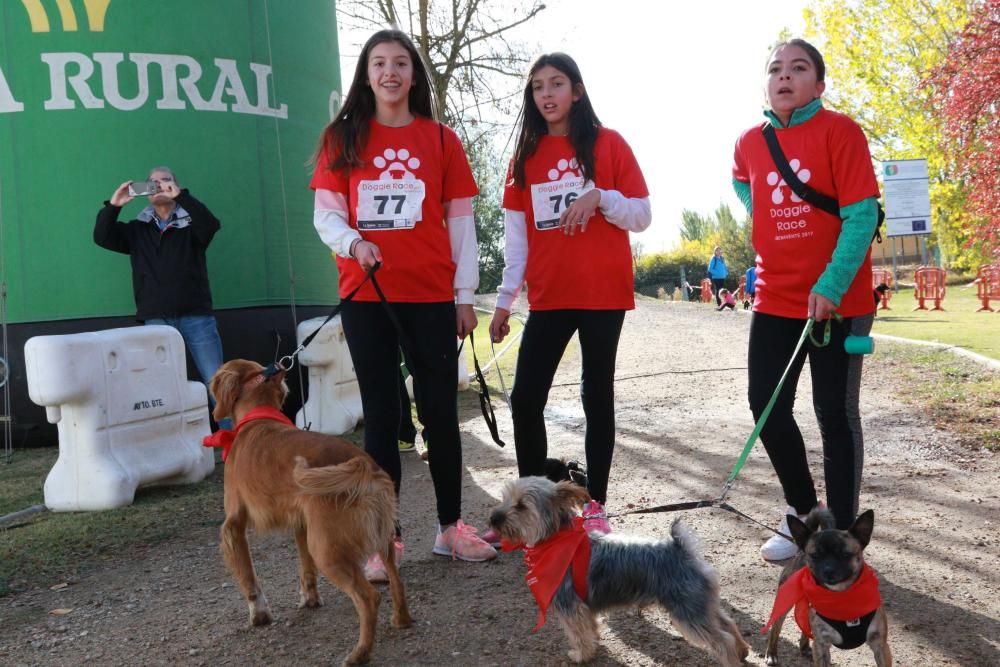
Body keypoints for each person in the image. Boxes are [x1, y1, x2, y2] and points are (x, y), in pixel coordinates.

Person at [310, 29, 496, 579]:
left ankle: (451, 528)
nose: (390, 73)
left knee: (440, 412)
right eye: (378, 63)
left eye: (400, 63)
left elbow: (461, 226)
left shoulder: (441, 141)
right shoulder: (340, 138)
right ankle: (383, 541)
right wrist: (354, 242)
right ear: (366, 75)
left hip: (433, 296)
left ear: (414, 75)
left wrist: (466, 296)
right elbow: (326, 216)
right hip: (367, 294)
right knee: (383, 416)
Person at [488, 53, 651, 541]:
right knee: (524, 399)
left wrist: (600, 196)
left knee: (596, 396)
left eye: (556, 83)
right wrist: (502, 302)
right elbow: (516, 243)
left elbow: (642, 215)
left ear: (576, 91)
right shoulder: (523, 159)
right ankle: (534, 509)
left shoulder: (609, 144)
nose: (546, 94)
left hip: (603, 293)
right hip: (550, 296)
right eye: (537, 87)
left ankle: (595, 505)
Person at [732, 38, 880, 561]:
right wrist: (765, 216)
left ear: (819, 83)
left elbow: (863, 217)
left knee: (833, 415)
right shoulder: (750, 141)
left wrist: (831, 285)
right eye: (775, 69)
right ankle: (803, 514)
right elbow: (741, 182)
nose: (784, 76)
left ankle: (839, 534)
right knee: (765, 404)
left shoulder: (841, 132)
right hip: (775, 297)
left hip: (839, 301)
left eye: (798, 68)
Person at [94, 167, 229, 428]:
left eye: (165, 181)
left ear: (176, 187)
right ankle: (171, 442)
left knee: (217, 381)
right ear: (145, 193)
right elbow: (102, 237)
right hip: (155, 320)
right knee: (160, 385)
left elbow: (211, 225)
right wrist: (114, 205)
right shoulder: (137, 230)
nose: (158, 186)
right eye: (152, 182)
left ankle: (235, 441)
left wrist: (182, 197)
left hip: (196, 317)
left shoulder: (192, 226)